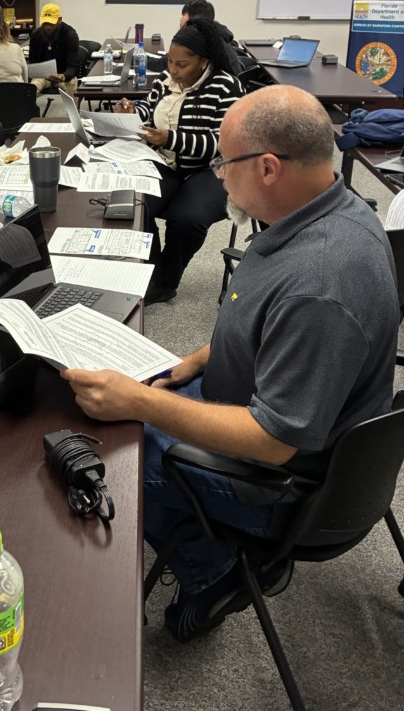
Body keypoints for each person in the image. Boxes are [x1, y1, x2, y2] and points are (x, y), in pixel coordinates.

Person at [62, 85, 399, 643]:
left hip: (286, 481)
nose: (217, 173)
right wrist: (196, 360)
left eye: (224, 161)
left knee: (119, 453)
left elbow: (273, 439)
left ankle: (215, 572)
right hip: (263, 412)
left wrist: (143, 402)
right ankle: (204, 537)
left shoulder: (321, 283)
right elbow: (271, 327)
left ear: (268, 167)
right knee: (122, 408)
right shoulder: (330, 210)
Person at [116, 18, 243, 303]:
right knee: (134, 204)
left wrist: (169, 139)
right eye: (170, 62)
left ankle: (164, 283)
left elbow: (222, 142)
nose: (172, 71)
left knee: (188, 218)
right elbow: (149, 110)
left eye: (181, 65)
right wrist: (131, 110)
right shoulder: (166, 81)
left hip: (213, 168)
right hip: (168, 162)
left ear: (203, 62)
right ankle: (151, 273)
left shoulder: (226, 87)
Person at [28, 2, 79, 99]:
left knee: (72, 83)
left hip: (63, 76)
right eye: (45, 23)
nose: (48, 27)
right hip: (43, 77)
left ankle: (73, 114)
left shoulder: (70, 35)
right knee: (32, 88)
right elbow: (33, 62)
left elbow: (73, 67)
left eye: (51, 23)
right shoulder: (36, 35)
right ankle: (29, 113)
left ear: (60, 20)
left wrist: (62, 77)